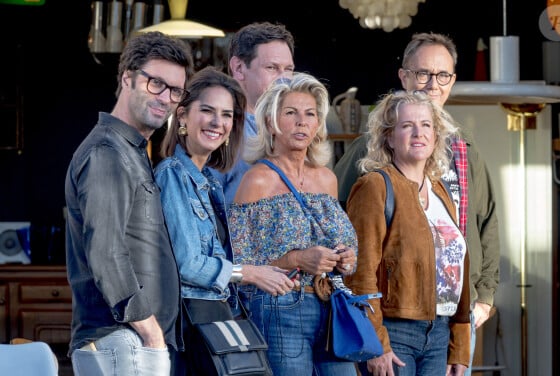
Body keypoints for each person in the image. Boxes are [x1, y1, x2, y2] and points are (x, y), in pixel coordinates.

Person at [334, 32, 500, 374]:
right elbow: (347, 234)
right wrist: (372, 331)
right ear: (404, 76)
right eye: (423, 73)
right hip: (395, 318)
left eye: (443, 76)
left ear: (452, 80)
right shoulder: (371, 152)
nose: (432, 84)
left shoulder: (464, 150)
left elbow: (486, 223)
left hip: (451, 319)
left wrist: (484, 296)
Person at [64, 31, 194, 376]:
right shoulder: (107, 153)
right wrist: (151, 334)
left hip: (131, 343)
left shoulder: (130, 151)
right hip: (123, 343)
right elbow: (106, 253)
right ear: (127, 78)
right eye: (155, 83)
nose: (165, 98)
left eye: (175, 91)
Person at [154, 66, 295, 376]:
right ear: (182, 116)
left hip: (217, 314)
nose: (218, 122)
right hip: (191, 322)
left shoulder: (209, 181)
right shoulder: (172, 175)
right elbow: (188, 264)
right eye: (207, 111)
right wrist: (250, 273)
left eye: (227, 114)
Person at [228, 73, 358, 376]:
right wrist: (298, 259)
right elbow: (241, 266)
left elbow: (344, 243)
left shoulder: (327, 179)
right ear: (272, 123)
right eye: (291, 113)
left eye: (310, 114)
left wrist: (345, 257)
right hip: (279, 309)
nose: (302, 122)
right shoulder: (257, 180)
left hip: (331, 307)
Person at [345, 90, 471, 376]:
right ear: (388, 137)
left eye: (426, 125)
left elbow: (458, 266)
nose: (419, 133)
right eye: (406, 125)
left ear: (436, 136)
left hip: (440, 333)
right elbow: (358, 273)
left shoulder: (442, 192)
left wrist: (459, 345)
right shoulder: (375, 186)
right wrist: (375, 343)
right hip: (394, 331)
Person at [210, 21, 296, 205]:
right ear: (239, 68)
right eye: (272, 68)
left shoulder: (293, 127)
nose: (283, 79)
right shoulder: (217, 129)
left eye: (288, 69)